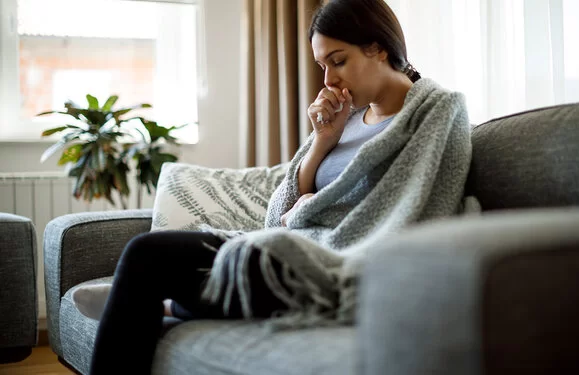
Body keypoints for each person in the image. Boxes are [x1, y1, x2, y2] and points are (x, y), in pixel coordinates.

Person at [82, 0, 470, 374]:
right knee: (148, 255)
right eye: (322, 65)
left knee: (148, 263)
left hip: (330, 266)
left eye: (338, 61)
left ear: (378, 48)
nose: (328, 79)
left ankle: (149, 302)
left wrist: (304, 209)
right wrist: (322, 142)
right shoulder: (345, 118)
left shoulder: (437, 110)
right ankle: (154, 302)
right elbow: (276, 214)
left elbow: (413, 205)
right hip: (286, 248)